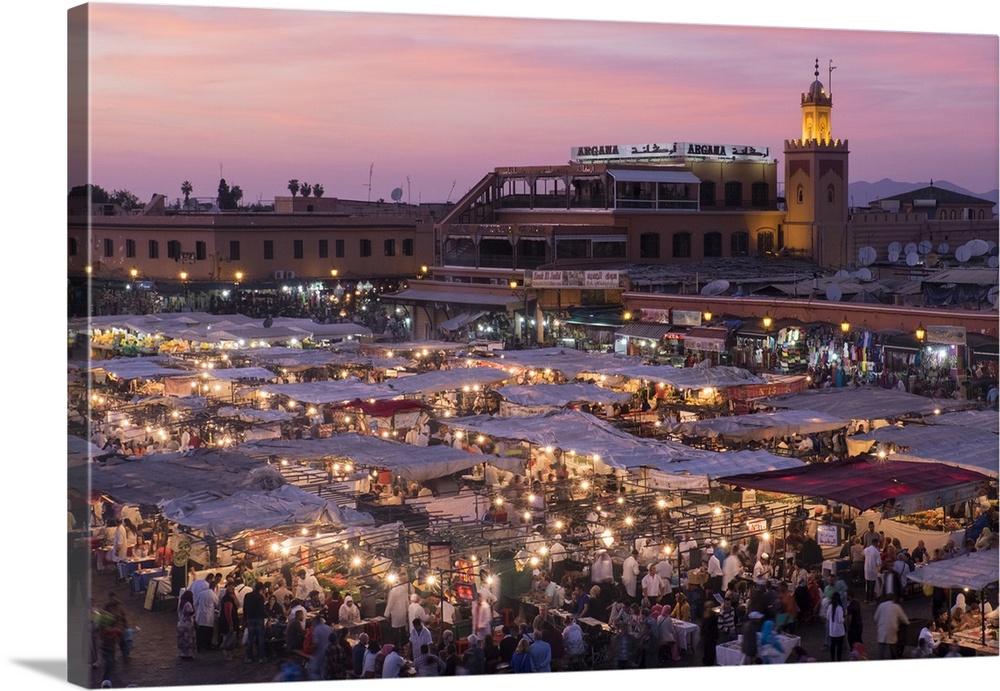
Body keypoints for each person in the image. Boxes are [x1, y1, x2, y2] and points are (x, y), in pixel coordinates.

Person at [873, 595, 909, 660]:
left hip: (882, 630)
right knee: (893, 648)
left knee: (881, 650)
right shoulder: (896, 607)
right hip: (892, 630)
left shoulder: (881, 606)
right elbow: (904, 618)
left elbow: (875, 618)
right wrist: (907, 623)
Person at [243, 581, 268, 664]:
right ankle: (261, 657)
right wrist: (267, 616)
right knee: (260, 638)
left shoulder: (247, 596)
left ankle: (249, 657)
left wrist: (244, 619)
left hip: (250, 618)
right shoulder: (260, 597)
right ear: (261, 589)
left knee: (250, 638)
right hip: (259, 619)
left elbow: (244, 608)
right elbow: (261, 610)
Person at [193, 579, 219, 653]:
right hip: (209, 616)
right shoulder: (213, 595)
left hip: (200, 615)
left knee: (200, 632)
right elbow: (217, 605)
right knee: (208, 632)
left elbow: (195, 603)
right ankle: (208, 646)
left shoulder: (202, 593)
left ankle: (199, 646)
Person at [307, 614, 333, 680]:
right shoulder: (328, 628)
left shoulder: (316, 629)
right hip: (328, 652)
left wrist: (312, 652)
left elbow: (316, 644)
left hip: (319, 653)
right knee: (325, 671)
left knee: (313, 671)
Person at [176, 589, 197, 659]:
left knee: (182, 640)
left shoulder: (181, 603)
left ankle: (182, 654)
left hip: (180, 624)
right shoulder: (188, 604)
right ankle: (188, 654)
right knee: (188, 640)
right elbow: (190, 612)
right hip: (187, 625)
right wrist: (195, 610)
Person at [827, 591, 846, 661]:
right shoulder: (839, 608)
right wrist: (844, 618)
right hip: (839, 631)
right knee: (839, 647)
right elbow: (840, 620)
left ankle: (832, 659)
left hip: (832, 631)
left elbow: (828, 617)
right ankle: (839, 660)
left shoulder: (830, 607)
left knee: (833, 646)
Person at [701, 601, 719, 666]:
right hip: (710, 636)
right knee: (710, 651)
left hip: (708, 636)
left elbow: (703, 626)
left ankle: (707, 661)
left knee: (708, 650)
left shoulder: (706, 615)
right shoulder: (713, 616)